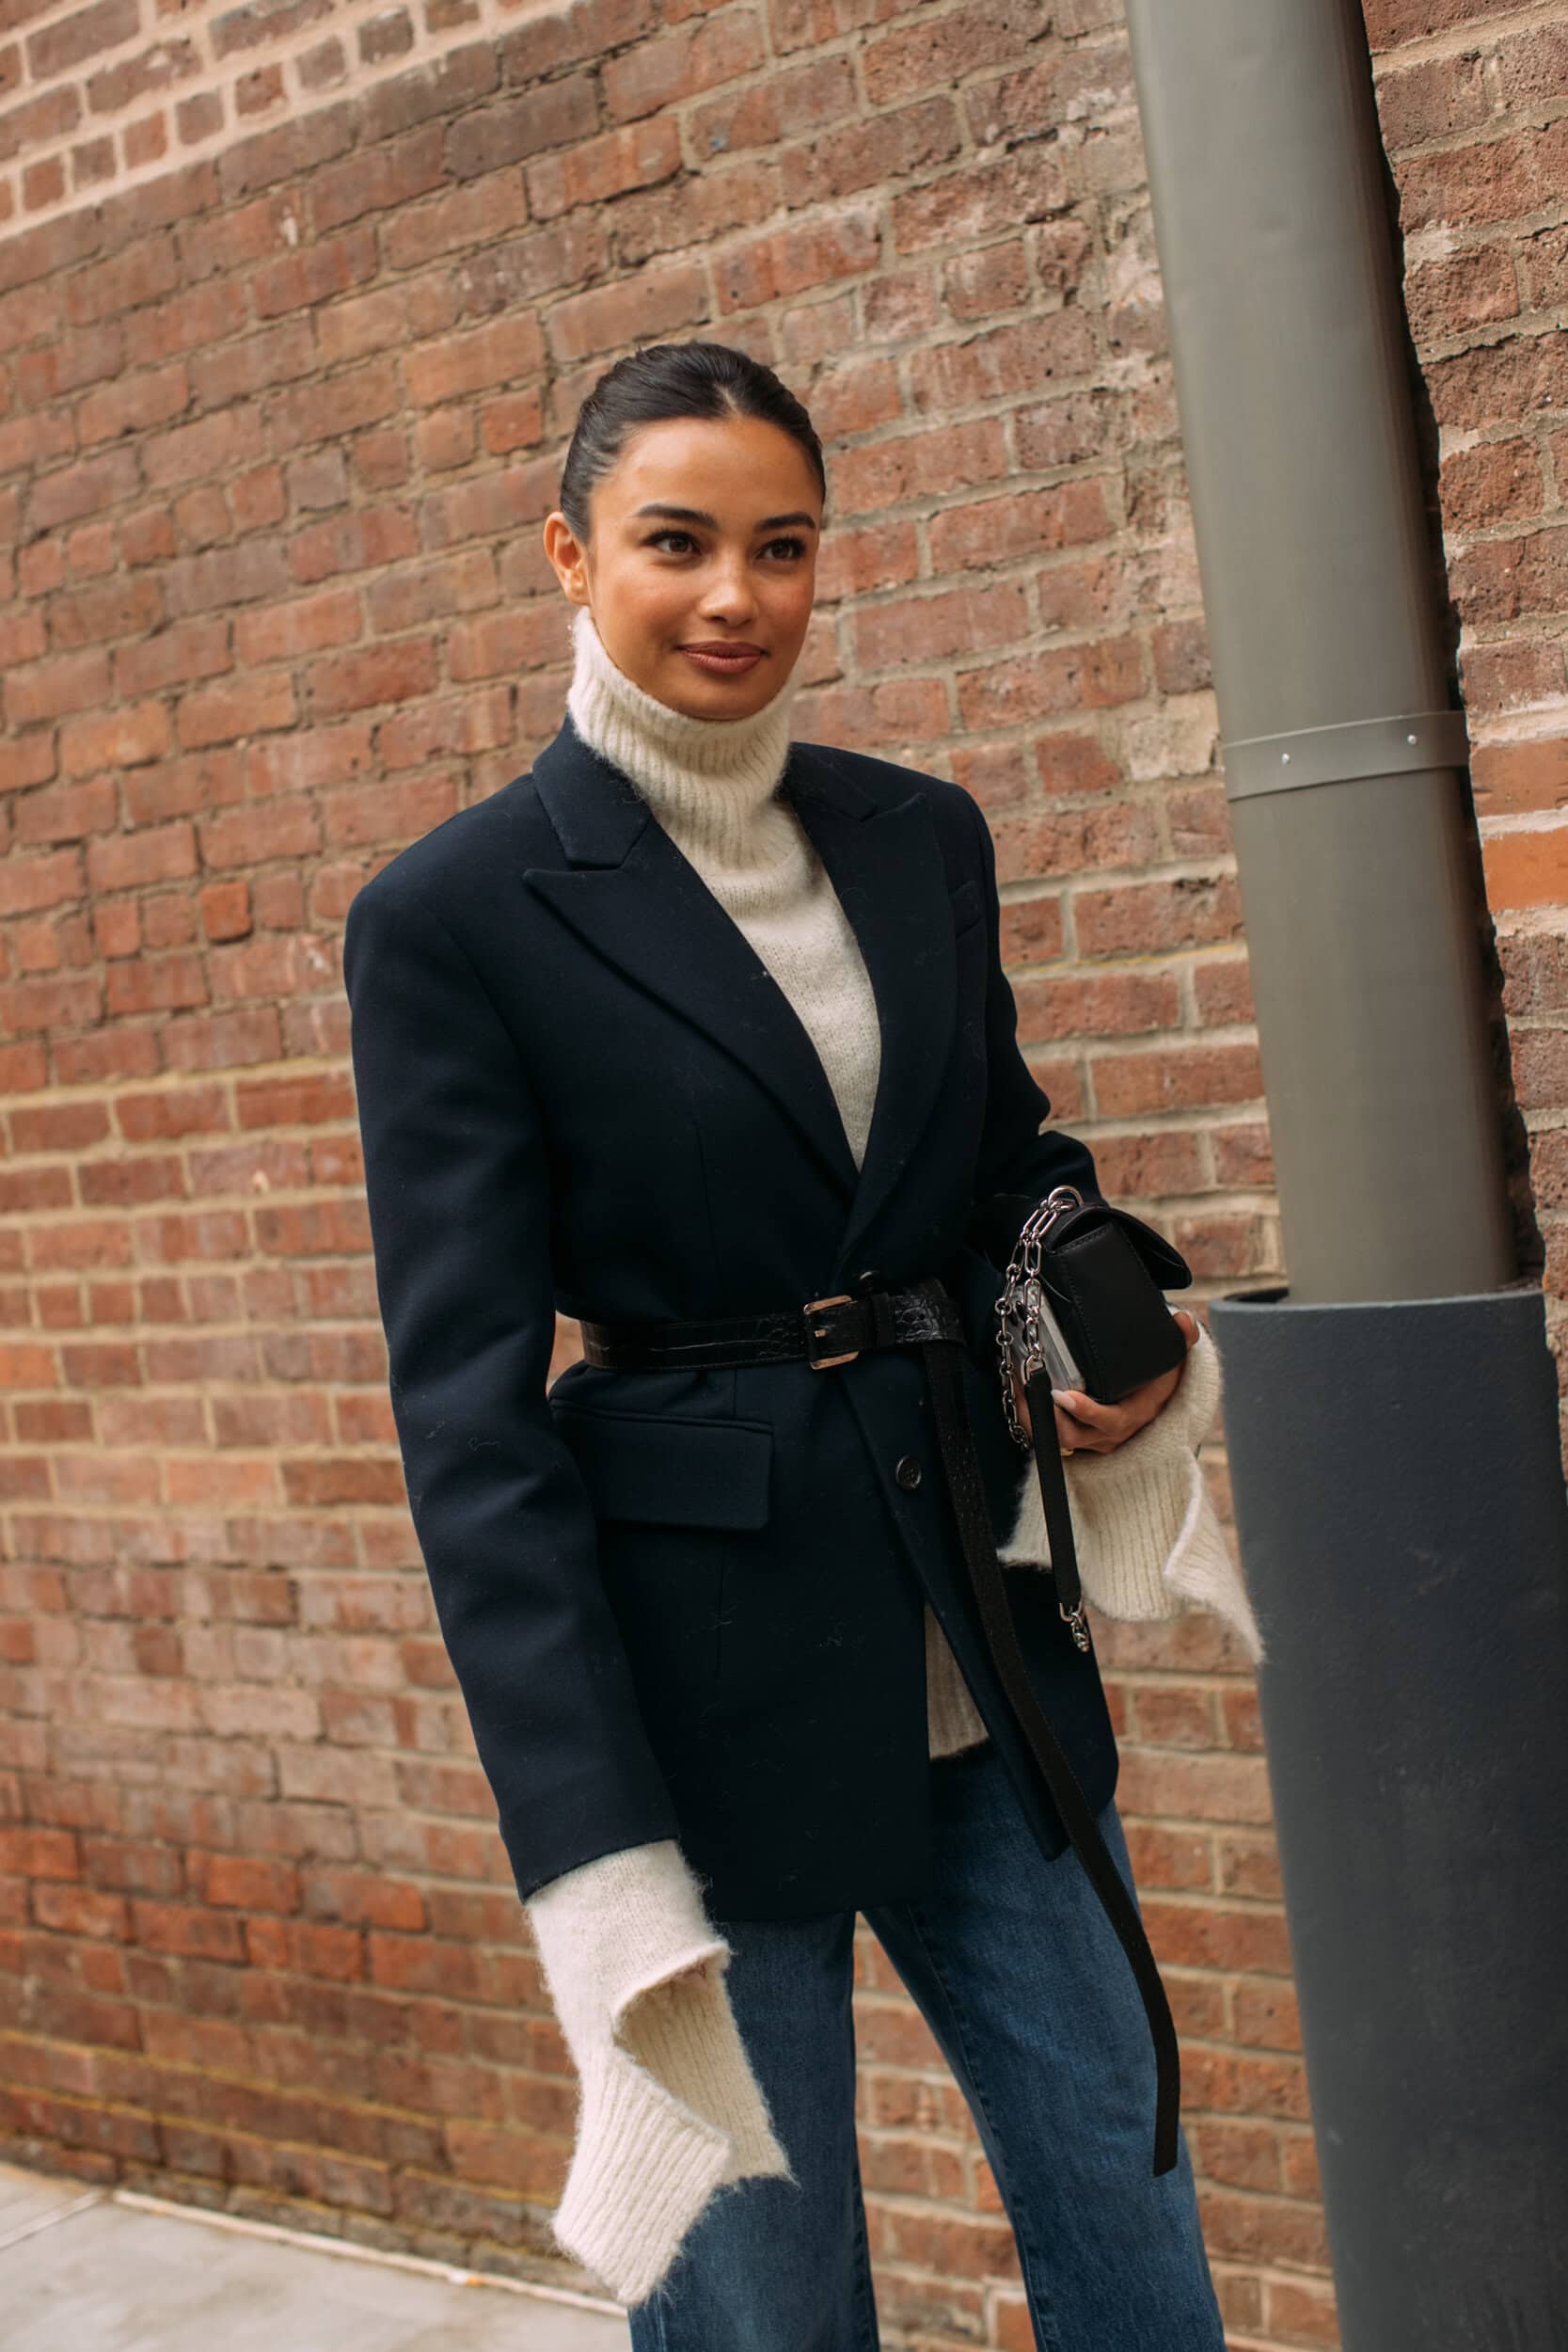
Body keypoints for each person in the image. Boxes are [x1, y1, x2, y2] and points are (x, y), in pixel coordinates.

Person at [343, 339, 1264, 2348]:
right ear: (569, 556)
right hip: (702, 1706)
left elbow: (1005, 1150)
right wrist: (584, 1841)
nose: (735, 592)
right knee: (765, 2304)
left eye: (783, 545)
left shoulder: (916, 834)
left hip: (979, 1640)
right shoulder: (460, 915)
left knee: (1134, 2224)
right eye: (677, 542)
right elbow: (472, 1428)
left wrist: (1078, 1287)